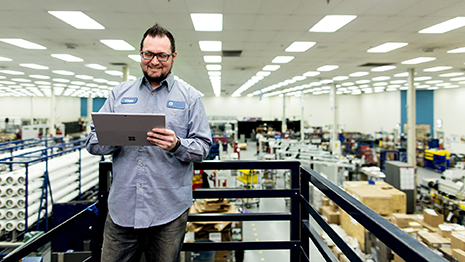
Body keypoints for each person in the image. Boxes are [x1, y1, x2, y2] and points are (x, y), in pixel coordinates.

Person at [86, 23, 212, 262]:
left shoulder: (190, 97)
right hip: (123, 209)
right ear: (140, 54)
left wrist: (177, 145)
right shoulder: (119, 94)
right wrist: (114, 138)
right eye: (148, 54)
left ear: (173, 57)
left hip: (169, 211)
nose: (154, 61)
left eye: (162, 55)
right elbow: (93, 143)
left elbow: (203, 147)